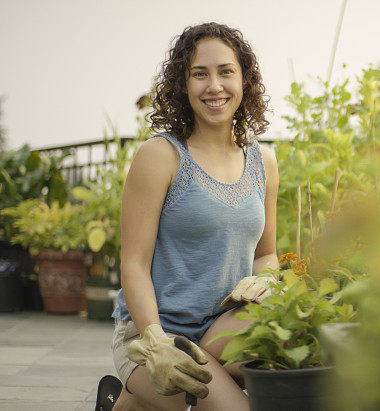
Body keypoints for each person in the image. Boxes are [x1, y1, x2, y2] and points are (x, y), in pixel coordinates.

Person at [106, 22, 279, 411]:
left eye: (225, 72)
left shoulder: (263, 161)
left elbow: (266, 253)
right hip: (157, 329)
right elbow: (134, 263)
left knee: (299, 352)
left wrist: (266, 279)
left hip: (222, 323)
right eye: (199, 74)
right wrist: (155, 342)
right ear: (183, 86)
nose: (214, 86)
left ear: (245, 80)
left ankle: (132, 404)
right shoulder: (161, 156)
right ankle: (136, 393)